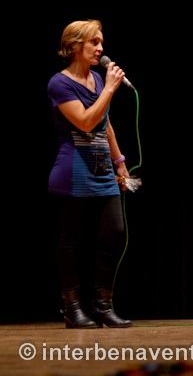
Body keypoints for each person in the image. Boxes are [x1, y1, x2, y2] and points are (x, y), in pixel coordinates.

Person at [47, 19, 133, 328]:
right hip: (73, 172)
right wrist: (109, 89)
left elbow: (105, 124)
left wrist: (120, 162)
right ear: (74, 46)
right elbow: (85, 121)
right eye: (94, 42)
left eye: (101, 42)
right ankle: (73, 308)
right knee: (72, 242)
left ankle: (103, 305)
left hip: (103, 169)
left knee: (114, 233)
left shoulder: (97, 79)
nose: (101, 48)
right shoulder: (59, 83)